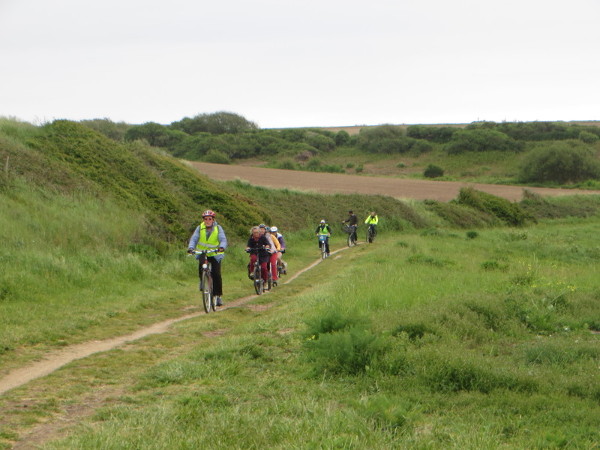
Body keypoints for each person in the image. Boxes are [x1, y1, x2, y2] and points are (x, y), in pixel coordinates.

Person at [187, 210, 227, 306]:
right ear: (203, 220)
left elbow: (223, 239)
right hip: (203, 253)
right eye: (205, 219)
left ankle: (218, 296)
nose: (207, 221)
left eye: (209, 219)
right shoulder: (199, 228)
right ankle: (203, 280)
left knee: (216, 274)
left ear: (213, 220)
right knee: (201, 269)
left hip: (215, 253)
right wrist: (191, 248)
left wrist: (222, 247)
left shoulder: (218, 228)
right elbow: (194, 238)